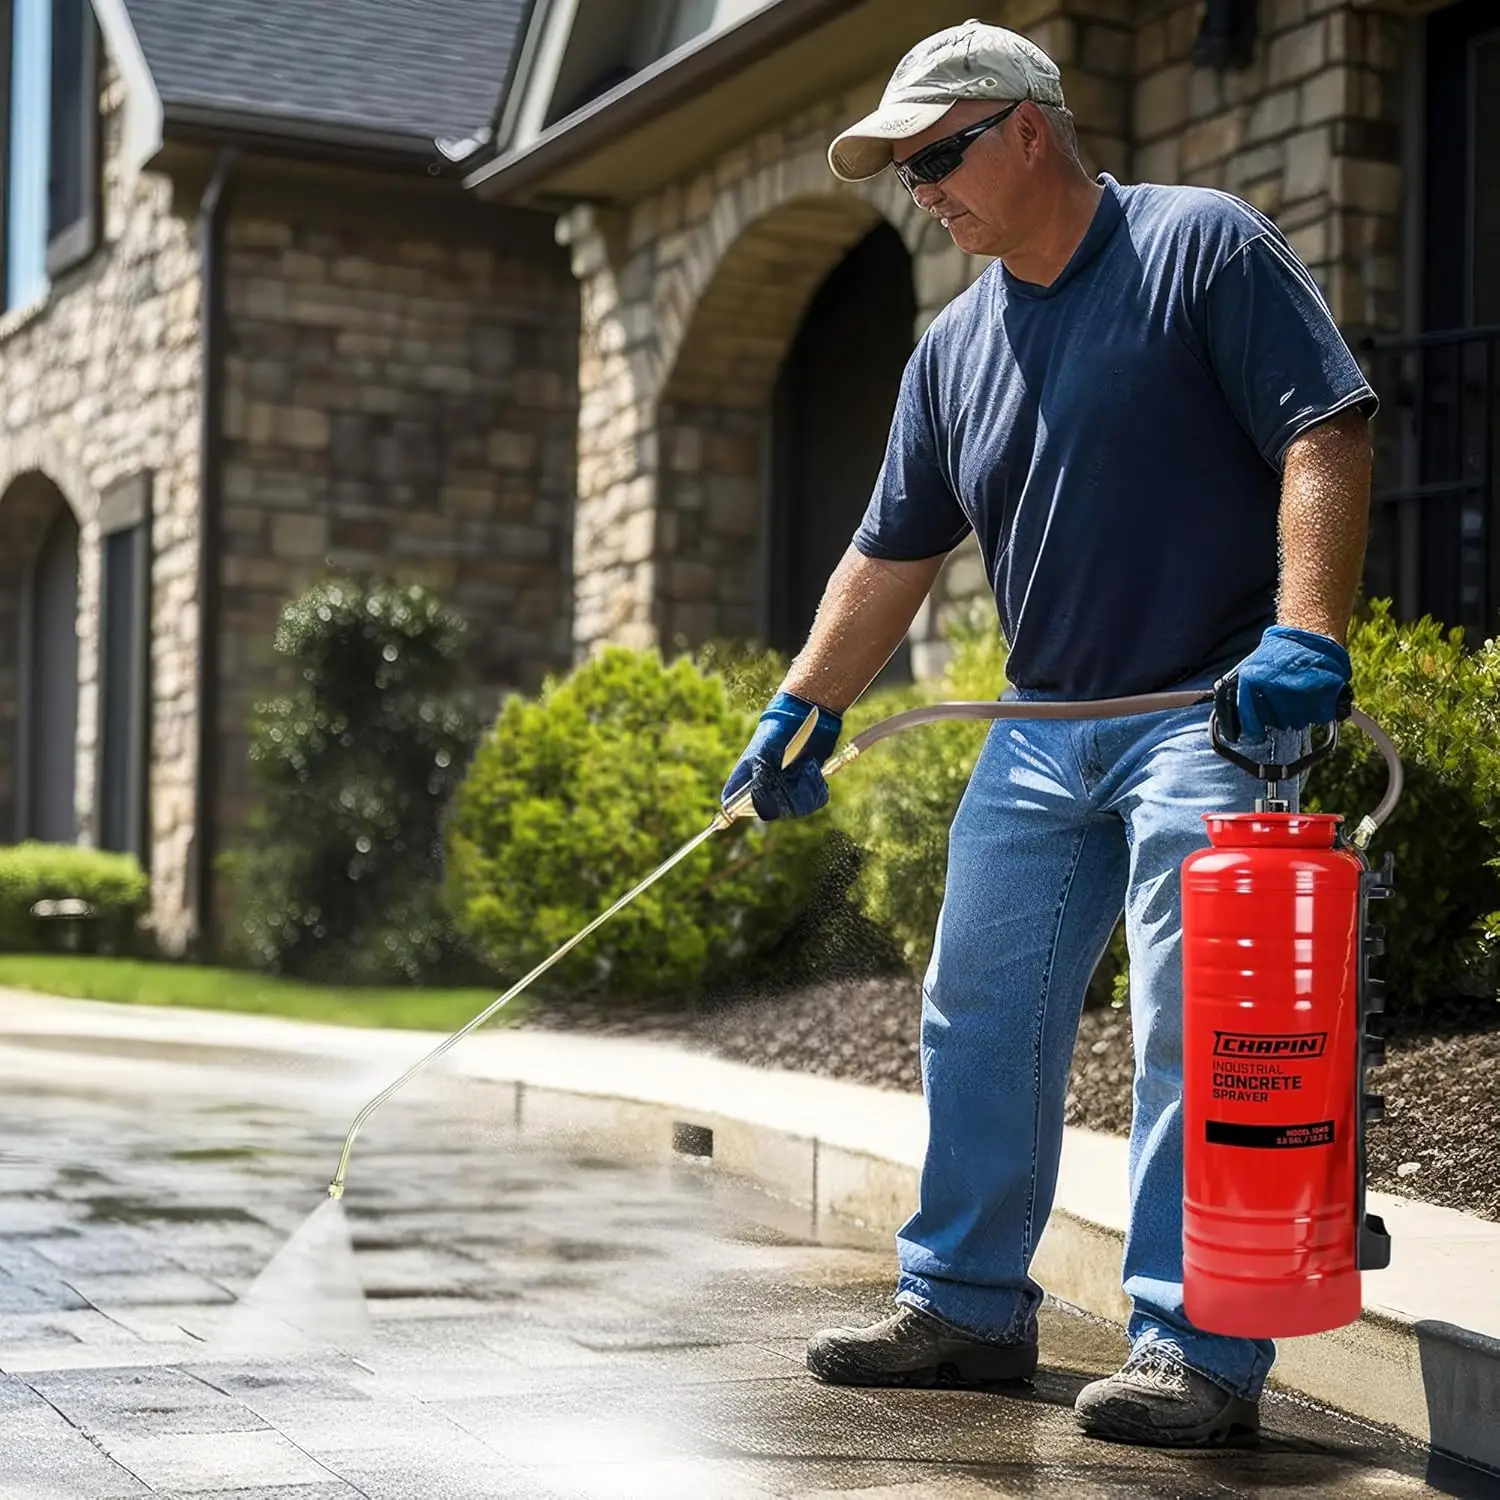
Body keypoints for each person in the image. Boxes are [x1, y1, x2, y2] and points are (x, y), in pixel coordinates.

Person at [721, 20, 1375, 1449]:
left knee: (1194, 1029)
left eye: (937, 157)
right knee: (978, 1006)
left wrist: (1307, 635)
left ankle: (1194, 1344)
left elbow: (1324, 431)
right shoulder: (953, 348)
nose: (923, 191)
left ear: (1028, 128)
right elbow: (888, 552)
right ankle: (963, 1304)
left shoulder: (1199, 247)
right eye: (903, 171)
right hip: (1040, 731)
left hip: (1210, 713)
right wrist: (804, 705)